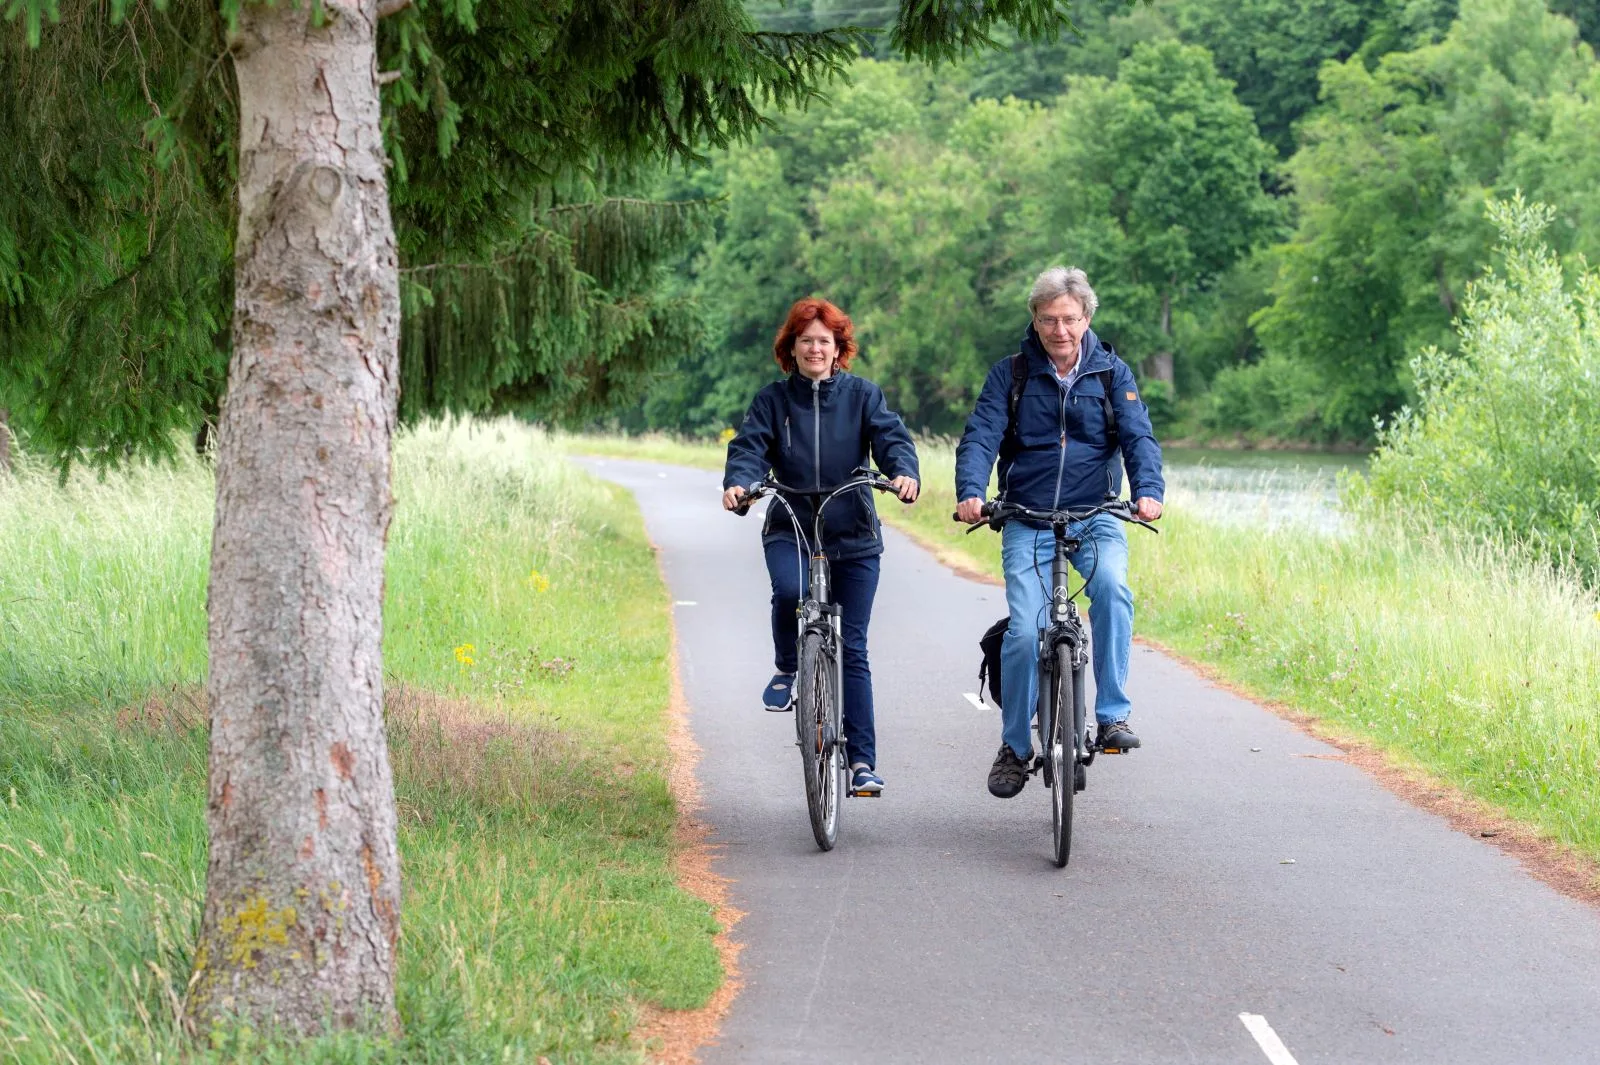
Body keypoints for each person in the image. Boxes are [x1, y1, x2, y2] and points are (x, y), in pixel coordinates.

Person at [954, 267, 1165, 799]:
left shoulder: (1113, 375)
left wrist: (1149, 491)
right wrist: (971, 491)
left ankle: (1112, 715)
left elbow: (1139, 437)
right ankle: (1015, 748)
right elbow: (981, 434)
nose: (1060, 330)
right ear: (1035, 319)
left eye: (1069, 319)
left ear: (1086, 318)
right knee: (1025, 632)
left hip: (1094, 515)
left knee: (1113, 590)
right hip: (1025, 517)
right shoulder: (1012, 374)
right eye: (1048, 319)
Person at [723, 297, 920, 795]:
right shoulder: (772, 401)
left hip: (852, 532)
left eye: (824, 341)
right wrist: (740, 484)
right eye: (805, 340)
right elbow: (749, 448)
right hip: (790, 524)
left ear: (838, 350)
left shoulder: (862, 396)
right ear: (791, 347)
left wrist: (902, 472)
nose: (815, 348)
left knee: (852, 646)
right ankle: (788, 666)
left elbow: (891, 439)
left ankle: (862, 763)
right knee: (790, 593)